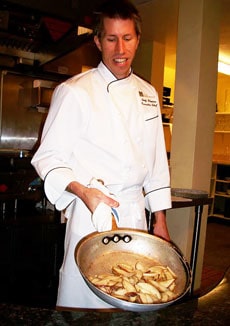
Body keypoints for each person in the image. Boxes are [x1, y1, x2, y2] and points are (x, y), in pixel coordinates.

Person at [31, 0, 172, 309]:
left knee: (133, 296)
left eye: (127, 38)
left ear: (137, 39)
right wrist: (84, 192)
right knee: (84, 299)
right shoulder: (74, 92)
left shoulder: (148, 94)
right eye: (111, 38)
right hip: (91, 215)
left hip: (136, 213)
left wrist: (159, 219)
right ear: (97, 41)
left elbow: (157, 163)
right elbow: (48, 157)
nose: (120, 48)